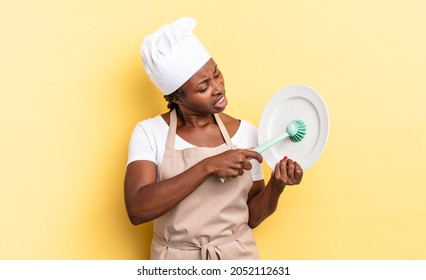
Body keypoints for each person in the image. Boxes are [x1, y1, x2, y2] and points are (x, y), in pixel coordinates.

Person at [124, 17, 303, 260]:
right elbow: (138, 209)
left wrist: (277, 185)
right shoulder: (150, 133)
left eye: (217, 73)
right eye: (203, 87)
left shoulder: (246, 132)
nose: (218, 87)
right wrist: (209, 166)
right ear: (177, 97)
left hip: (237, 258)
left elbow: (253, 217)